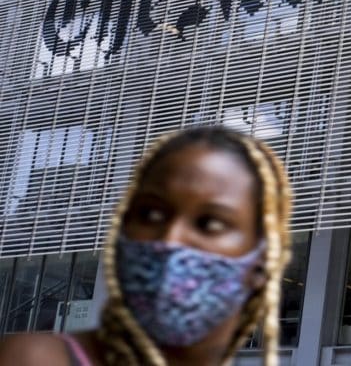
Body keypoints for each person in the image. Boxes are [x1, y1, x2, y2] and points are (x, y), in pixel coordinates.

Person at [0, 126, 292, 366]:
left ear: (263, 261)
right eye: (151, 214)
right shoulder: (38, 358)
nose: (170, 240)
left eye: (210, 223)